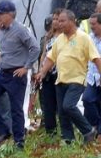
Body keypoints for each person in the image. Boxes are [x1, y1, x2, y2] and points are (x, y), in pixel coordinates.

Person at [35, 9, 101, 144]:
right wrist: (42, 72)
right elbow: (50, 58)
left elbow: (96, 58)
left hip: (77, 79)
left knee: (68, 106)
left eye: (62, 21)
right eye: (58, 21)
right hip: (61, 80)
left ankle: (88, 130)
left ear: (72, 21)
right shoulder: (59, 39)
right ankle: (68, 139)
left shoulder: (83, 37)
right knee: (62, 113)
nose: (59, 24)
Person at [0, 1, 40, 149]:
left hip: (16, 74)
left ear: (10, 15)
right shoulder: (1, 30)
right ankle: (3, 131)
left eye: (1, 14)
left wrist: (26, 67)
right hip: (3, 72)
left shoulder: (21, 30)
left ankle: (19, 142)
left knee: (16, 109)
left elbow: (35, 48)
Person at [38, 11, 61, 135]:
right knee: (48, 104)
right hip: (47, 74)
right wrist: (40, 71)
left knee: (62, 104)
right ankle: (50, 132)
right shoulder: (48, 36)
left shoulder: (66, 37)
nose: (55, 21)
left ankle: (65, 131)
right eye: (54, 19)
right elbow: (43, 55)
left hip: (60, 74)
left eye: (58, 19)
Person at [83, 13, 101, 135]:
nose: (91, 26)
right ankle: (96, 125)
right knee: (87, 99)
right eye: (90, 24)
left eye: (93, 24)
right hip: (92, 78)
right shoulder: (89, 38)